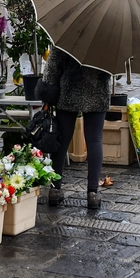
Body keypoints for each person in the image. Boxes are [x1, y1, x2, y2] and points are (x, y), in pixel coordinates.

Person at [41, 47, 111, 209]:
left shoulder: (69, 32)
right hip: (97, 91)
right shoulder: (108, 35)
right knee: (95, 140)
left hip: (69, 90)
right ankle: (92, 193)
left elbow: (53, 66)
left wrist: (48, 92)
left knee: (62, 138)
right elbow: (115, 71)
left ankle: (54, 189)